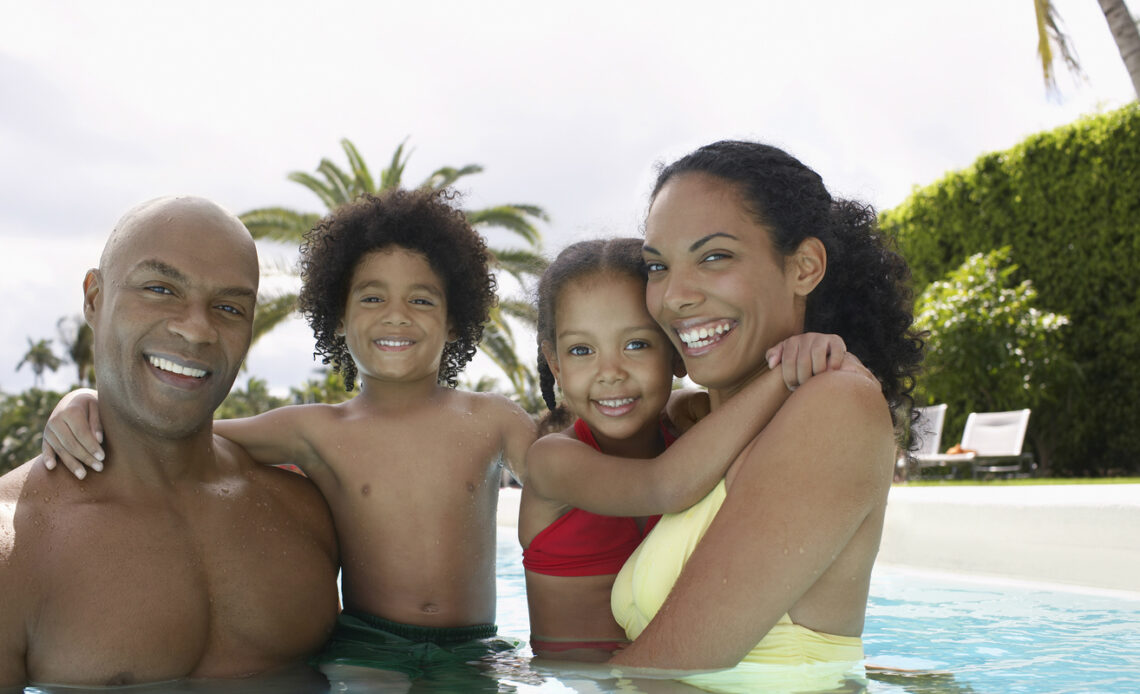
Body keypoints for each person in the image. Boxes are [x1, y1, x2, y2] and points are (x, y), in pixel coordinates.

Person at [37, 189, 537, 683]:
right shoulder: (316, 430)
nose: (396, 314)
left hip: (473, 647)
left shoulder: (493, 420)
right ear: (338, 320)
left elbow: (562, 473)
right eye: (372, 298)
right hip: (369, 645)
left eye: (421, 300)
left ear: (454, 323)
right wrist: (87, 401)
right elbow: (189, 434)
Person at [607, 141, 923, 692]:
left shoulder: (836, 404)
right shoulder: (703, 430)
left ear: (804, 268)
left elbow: (665, 665)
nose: (674, 296)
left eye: (714, 257)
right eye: (658, 266)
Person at [0, 197, 340, 689]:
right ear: (94, 299)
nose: (197, 329)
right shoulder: (15, 549)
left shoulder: (304, 511)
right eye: (160, 289)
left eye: (229, 307)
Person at [520, 238, 859, 662]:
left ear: (677, 352)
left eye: (637, 344)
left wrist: (807, 352)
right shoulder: (552, 461)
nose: (610, 373)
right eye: (581, 351)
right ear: (555, 364)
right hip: (572, 683)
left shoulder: (690, 430)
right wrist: (784, 375)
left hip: (670, 676)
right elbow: (663, 486)